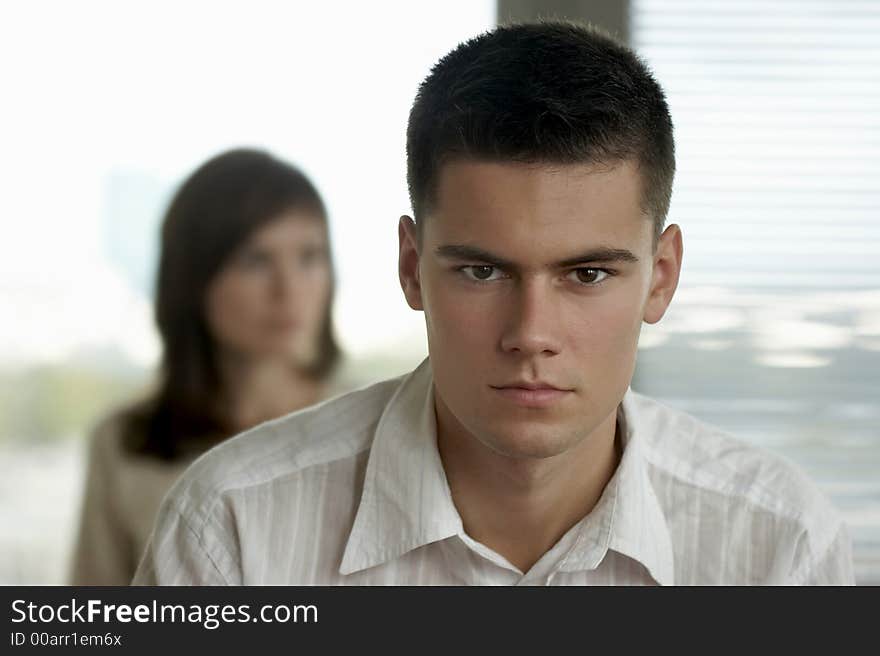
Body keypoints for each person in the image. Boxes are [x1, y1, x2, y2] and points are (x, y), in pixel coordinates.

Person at [133, 23, 853, 585]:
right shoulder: (232, 528)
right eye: (482, 271)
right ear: (412, 268)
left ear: (661, 277)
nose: (531, 334)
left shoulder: (778, 545)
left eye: (588, 275)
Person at [70, 148, 344, 585]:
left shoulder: (375, 426)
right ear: (193, 278)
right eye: (256, 260)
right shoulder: (124, 444)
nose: (288, 288)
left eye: (310, 257)